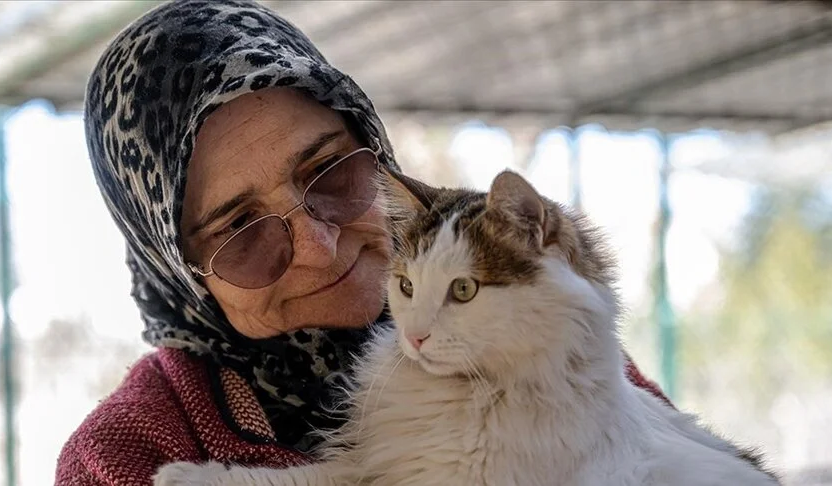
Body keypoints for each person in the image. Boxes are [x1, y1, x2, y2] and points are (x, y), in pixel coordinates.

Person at [55, 1, 670, 484]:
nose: (319, 246)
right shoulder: (123, 453)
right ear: (177, 271)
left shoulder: (558, 358)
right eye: (242, 230)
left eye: (330, 174)